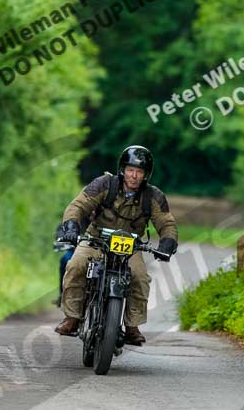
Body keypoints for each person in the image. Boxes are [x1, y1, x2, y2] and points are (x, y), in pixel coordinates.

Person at [55, 145, 178, 346]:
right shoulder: (104, 184)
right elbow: (79, 205)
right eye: (130, 170)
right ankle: (72, 317)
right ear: (122, 169)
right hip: (96, 239)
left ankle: (132, 326)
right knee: (75, 265)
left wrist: (168, 242)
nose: (134, 176)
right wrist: (70, 226)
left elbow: (166, 222)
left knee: (140, 278)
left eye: (139, 171)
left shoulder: (153, 196)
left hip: (130, 246)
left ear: (146, 174)